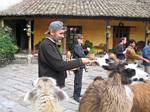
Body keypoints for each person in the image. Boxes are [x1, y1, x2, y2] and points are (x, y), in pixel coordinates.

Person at [38, 21, 92, 88]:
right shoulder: (46, 45)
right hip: (49, 86)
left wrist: (71, 66)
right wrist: (80, 61)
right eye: (61, 33)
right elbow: (59, 65)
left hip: (54, 84)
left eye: (63, 33)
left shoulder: (52, 44)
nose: (63, 36)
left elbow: (56, 63)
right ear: (52, 32)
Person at [72, 34, 86, 102]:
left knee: (79, 80)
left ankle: (78, 93)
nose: (82, 40)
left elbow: (82, 54)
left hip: (80, 64)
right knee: (78, 80)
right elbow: (82, 55)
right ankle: (76, 96)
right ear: (78, 39)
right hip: (78, 65)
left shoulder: (79, 46)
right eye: (81, 39)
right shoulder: (77, 46)